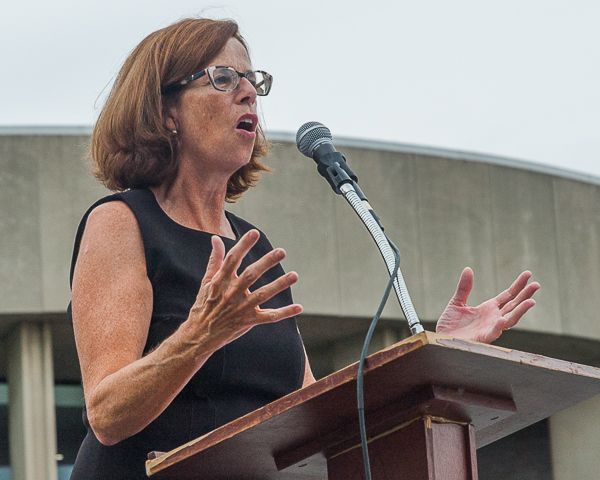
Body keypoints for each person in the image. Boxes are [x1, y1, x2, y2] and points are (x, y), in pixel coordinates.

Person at [68, 17, 540, 479]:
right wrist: (201, 336)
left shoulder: (255, 247)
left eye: (254, 81)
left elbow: (316, 412)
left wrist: (437, 357)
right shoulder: (121, 222)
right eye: (224, 77)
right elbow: (107, 415)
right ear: (165, 110)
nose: (249, 92)